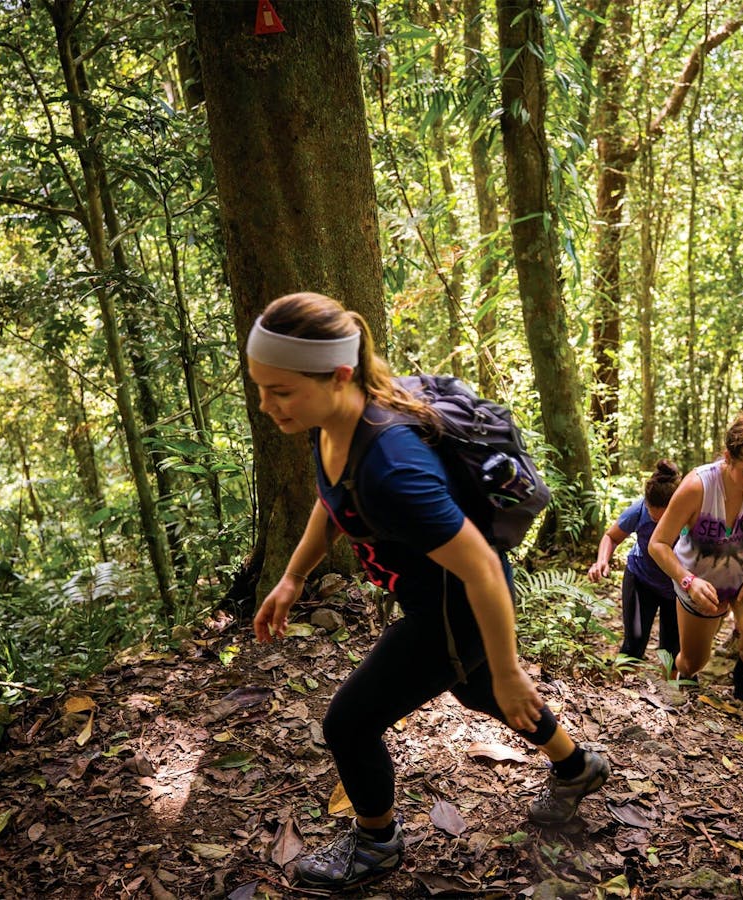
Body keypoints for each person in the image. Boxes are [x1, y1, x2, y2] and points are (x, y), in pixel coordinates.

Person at [246, 292, 609, 891]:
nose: (267, 405)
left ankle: (376, 845)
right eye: (261, 388)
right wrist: (293, 576)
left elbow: (484, 570)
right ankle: (576, 766)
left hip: (454, 613)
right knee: (475, 694)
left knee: (349, 723)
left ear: (338, 375)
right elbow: (330, 498)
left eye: (280, 390)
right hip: (438, 605)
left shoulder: (392, 469)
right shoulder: (334, 421)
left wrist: (511, 667)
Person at [648, 399, 743, 700]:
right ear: (728, 457)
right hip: (699, 580)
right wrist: (688, 582)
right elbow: (658, 544)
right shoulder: (697, 486)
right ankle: (678, 679)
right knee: (694, 660)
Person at [587, 460, 681, 664]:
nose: (657, 522)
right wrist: (601, 561)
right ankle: (624, 691)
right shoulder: (638, 510)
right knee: (634, 643)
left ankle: (675, 691)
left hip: (676, 586)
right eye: (654, 517)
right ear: (647, 502)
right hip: (641, 579)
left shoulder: (690, 515)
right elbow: (611, 537)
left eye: (663, 519)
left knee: (673, 649)